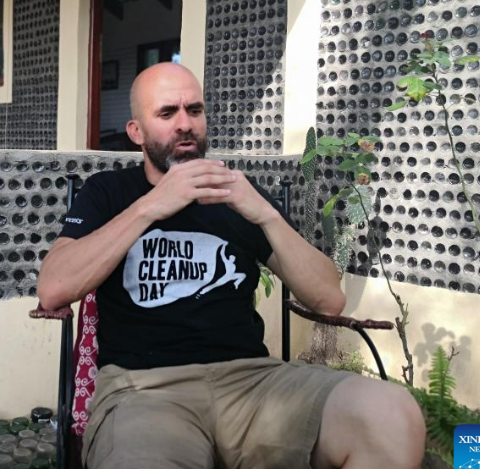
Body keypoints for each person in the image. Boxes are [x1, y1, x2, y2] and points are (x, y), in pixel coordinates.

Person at [36, 63, 425, 469]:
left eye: (195, 110)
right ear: (136, 131)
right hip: (144, 392)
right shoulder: (109, 193)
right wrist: (151, 206)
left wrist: (266, 216)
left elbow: (328, 299)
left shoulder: (237, 194)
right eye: (167, 113)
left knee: (391, 415)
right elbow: (54, 287)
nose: (185, 124)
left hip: (254, 384)